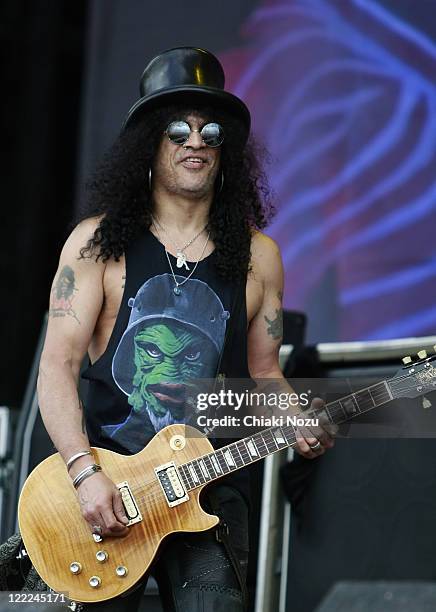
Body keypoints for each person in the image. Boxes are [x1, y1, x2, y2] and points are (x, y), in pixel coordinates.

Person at [37, 47, 335, 611]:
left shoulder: (259, 256)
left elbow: (266, 371)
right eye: (177, 129)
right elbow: (56, 366)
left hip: (211, 485)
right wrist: (82, 472)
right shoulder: (97, 244)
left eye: (210, 131)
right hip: (110, 486)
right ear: (150, 144)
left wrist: (298, 418)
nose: (195, 141)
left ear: (227, 152)